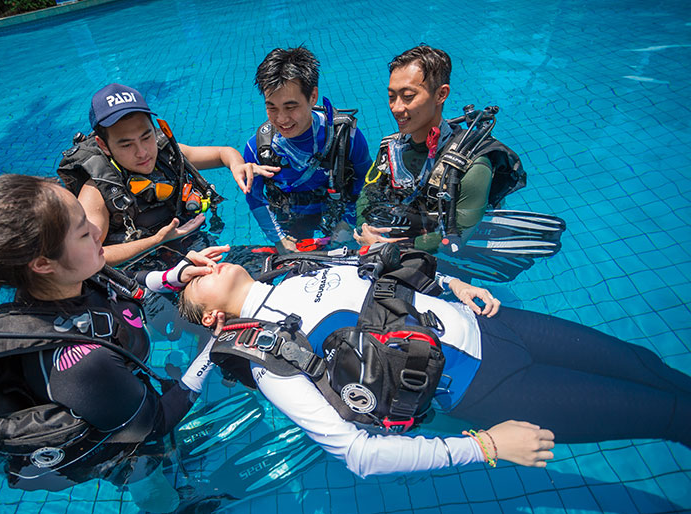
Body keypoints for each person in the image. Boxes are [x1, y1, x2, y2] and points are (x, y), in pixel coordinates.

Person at [175, 259, 691, 477]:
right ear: (214, 318)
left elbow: (386, 274)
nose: (204, 266)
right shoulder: (271, 360)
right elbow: (358, 454)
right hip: (492, 387)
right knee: (665, 414)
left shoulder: (293, 269)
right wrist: (485, 446)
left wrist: (451, 283)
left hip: (494, 322)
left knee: (646, 364)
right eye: (194, 280)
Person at [0, 174, 227, 512]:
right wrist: (213, 350)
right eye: (83, 231)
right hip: (119, 442)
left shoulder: (66, 274)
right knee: (150, 477)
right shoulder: (81, 362)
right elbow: (156, 422)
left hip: (114, 393)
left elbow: (118, 286)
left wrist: (172, 276)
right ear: (42, 263)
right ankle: (170, 511)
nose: (97, 229)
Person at [58, 83, 276, 266]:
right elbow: (89, 256)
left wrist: (237, 165)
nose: (142, 152)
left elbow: (222, 153)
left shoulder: (166, 154)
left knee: (271, 261)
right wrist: (156, 241)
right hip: (146, 272)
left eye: (146, 137)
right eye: (126, 145)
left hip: (193, 248)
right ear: (103, 145)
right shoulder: (96, 192)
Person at [354, 45, 526, 254]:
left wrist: (389, 246)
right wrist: (365, 230)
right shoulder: (390, 149)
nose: (397, 108)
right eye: (392, 96)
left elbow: (458, 237)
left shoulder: (473, 165)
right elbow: (367, 193)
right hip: (400, 234)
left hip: (445, 255)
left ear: (441, 94)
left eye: (408, 96)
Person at [240, 47, 373, 253]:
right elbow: (255, 197)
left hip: (337, 214)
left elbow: (366, 182)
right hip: (292, 221)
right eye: (272, 108)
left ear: (313, 96)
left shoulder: (346, 138)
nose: (282, 119)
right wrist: (278, 239)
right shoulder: (258, 148)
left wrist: (348, 221)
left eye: (290, 107)